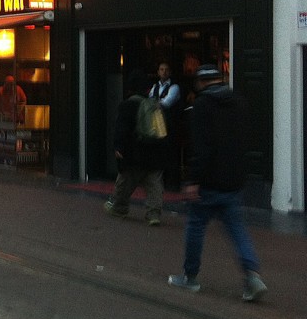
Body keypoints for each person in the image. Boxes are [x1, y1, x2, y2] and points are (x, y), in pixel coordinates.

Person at [167, 64, 267, 302]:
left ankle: (190, 277)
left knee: (196, 226)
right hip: (233, 179)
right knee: (236, 228)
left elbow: (202, 147)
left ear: (201, 83)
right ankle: (252, 275)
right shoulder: (239, 102)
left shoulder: (202, 106)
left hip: (209, 181)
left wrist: (193, 180)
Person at [104, 70, 166, 225]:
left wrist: (118, 147)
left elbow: (121, 128)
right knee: (154, 184)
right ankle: (154, 214)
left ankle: (119, 207)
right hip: (154, 151)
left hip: (134, 151)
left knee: (126, 181)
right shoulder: (154, 105)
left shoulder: (128, 104)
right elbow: (162, 130)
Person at [149, 61, 183, 191]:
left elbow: (166, 103)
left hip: (171, 126)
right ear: (158, 72)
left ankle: (173, 184)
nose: (164, 72)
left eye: (166, 69)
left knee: (172, 154)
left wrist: (155, 103)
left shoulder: (174, 87)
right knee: (160, 154)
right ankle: (160, 182)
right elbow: (150, 101)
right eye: (161, 69)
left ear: (170, 72)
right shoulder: (155, 87)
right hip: (158, 126)